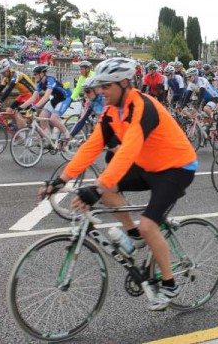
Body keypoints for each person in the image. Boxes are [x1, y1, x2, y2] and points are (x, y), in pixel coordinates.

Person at [42, 57, 197, 311]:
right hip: (149, 164)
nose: (101, 91)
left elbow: (128, 152)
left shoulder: (143, 107)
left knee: (148, 225)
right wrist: (61, 179)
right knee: (109, 188)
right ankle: (134, 236)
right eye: (100, 87)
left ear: (125, 83)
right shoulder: (111, 112)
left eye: (106, 86)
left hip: (176, 167)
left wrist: (97, 189)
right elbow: (91, 146)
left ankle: (169, 285)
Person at [20, 64, 72, 141]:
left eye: (35, 74)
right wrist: (20, 107)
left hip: (65, 98)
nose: (34, 76)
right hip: (56, 98)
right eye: (34, 74)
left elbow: (46, 96)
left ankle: (68, 136)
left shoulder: (50, 80)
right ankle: (49, 140)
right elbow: (33, 98)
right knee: (41, 117)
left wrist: (35, 107)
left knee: (53, 119)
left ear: (42, 73)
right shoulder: (39, 83)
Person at [0, 59, 36, 130]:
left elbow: (9, 89)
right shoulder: (6, 78)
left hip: (31, 94)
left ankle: (22, 132)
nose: (2, 74)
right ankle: (22, 126)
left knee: (17, 113)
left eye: (3, 72)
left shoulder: (16, 75)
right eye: (1, 73)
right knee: (8, 111)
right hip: (23, 95)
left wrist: (0, 101)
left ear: (8, 69)